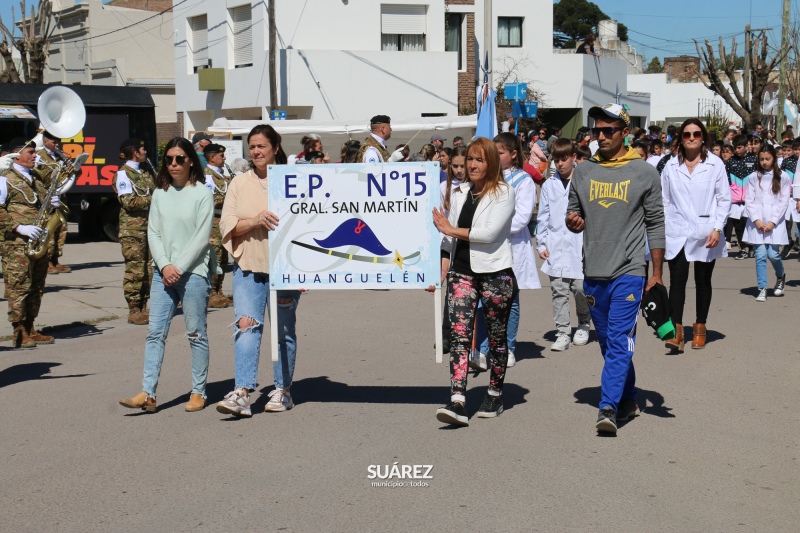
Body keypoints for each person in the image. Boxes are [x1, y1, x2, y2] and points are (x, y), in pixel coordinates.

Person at [566, 103, 665, 435]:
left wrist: (656, 273)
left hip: (630, 270)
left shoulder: (644, 173)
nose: (601, 136)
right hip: (594, 271)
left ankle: (607, 407)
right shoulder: (583, 171)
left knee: (620, 340)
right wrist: (573, 221)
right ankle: (628, 398)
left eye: (609, 130)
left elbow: (656, 224)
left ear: (625, 132)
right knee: (610, 345)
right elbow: (573, 213)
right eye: (597, 130)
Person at [119, 136, 215, 413]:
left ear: (190, 161)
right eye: (169, 159)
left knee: (196, 334)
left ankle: (199, 392)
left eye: (180, 159)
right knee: (154, 333)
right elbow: (154, 232)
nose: (174, 164)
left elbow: (201, 237)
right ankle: (147, 393)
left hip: (193, 272)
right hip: (163, 273)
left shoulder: (202, 192)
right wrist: (164, 265)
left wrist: (179, 267)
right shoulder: (159, 193)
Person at [215, 124, 302, 418]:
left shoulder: (294, 180)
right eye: (252, 146)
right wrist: (254, 220)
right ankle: (242, 392)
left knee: (283, 332)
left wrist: (308, 271)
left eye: (261, 146)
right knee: (245, 327)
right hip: (248, 269)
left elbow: (310, 224)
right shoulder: (239, 183)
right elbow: (227, 225)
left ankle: (282, 390)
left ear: (275, 148)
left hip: (285, 270)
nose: (256, 151)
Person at [431, 138, 517, 426]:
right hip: (462, 272)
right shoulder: (459, 193)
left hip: (495, 273)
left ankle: (494, 392)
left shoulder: (504, 192)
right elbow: (448, 237)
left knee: (495, 337)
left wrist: (450, 228)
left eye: (479, 160)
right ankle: (457, 399)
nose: (472, 165)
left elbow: (489, 233)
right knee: (459, 336)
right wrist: (439, 271)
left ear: (491, 162)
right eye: (470, 159)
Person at [661, 119, 731, 352]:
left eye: (696, 134)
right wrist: (664, 226)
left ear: (703, 137)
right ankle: (676, 331)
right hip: (677, 231)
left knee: (702, 281)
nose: (692, 138)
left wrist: (717, 228)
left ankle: (700, 327)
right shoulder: (671, 165)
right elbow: (665, 200)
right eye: (687, 134)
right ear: (680, 138)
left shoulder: (715, 164)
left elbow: (724, 199)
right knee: (677, 281)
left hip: (705, 231)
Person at [472, 132, 540, 369]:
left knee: (509, 301)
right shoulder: (486, 179)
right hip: (485, 248)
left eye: (499, 153)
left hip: (511, 247)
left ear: (513, 154)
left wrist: (491, 228)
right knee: (483, 298)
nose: (495, 157)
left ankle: (508, 348)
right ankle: (482, 349)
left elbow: (522, 218)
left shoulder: (523, 181)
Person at [0, 138, 57, 348]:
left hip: (38, 241)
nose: (35, 156)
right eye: (31, 152)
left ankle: (31, 326)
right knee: (18, 286)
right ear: (17, 154)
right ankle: (18, 331)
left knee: (36, 286)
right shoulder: (4, 178)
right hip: (16, 243)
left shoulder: (36, 178)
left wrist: (52, 204)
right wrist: (18, 227)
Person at [537, 138, 592, 351]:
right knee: (558, 290)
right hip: (556, 244)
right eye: (556, 160)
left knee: (580, 288)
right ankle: (562, 332)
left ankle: (584, 322)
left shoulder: (584, 180)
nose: (560, 164)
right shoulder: (549, 185)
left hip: (579, 244)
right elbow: (543, 216)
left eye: (564, 159)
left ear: (573, 158)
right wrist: (541, 244)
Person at [114, 138, 156, 325]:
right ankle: (133, 309)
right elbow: (128, 202)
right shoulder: (123, 174)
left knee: (148, 268)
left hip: (149, 227)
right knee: (135, 270)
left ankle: (143, 306)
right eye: (142, 149)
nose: (145, 152)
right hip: (133, 229)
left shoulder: (145, 173)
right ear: (134, 153)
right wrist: (153, 198)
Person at [744, 145, 791, 302]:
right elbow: (749, 200)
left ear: (774, 158)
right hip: (757, 223)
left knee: (773, 254)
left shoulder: (783, 177)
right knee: (760, 255)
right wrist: (756, 220)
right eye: (761, 159)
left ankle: (780, 275)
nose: (764, 162)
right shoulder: (753, 177)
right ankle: (762, 287)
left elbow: (784, 202)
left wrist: (772, 222)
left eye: (767, 159)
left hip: (774, 222)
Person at [33, 131, 71, 274]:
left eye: (57, 142)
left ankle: (55, 259)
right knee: (47, 230)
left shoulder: (60, 155)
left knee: (61, 230)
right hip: (47, 197)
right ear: (45, 141)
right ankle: (46, 261)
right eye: (54, 142)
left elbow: (71, 175)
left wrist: (75, 168)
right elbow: (38, 176)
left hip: (61, 197)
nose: (56, 145)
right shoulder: (39, 156)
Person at [202, 143, 233, 308]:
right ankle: (212, 293)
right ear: (212, 157)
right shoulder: (207, 176)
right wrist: (230, 197)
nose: (224, 158)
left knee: (223, 259)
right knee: (215, 258)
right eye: (221, 156)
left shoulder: (221, 175)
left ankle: (218, 290)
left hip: (223, 222)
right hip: (213, 222)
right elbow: (209, 200)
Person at [726, 135, 757, 259]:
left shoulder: (754, 160)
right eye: (735, 148)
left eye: (739, 147)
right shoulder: (731, 161)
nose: (737, 150)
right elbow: (727, 180)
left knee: (748, 225)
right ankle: (743, 248)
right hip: (735, 201)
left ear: (746, 147)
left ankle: (752, 246)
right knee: (738, 226)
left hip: (750, 200)